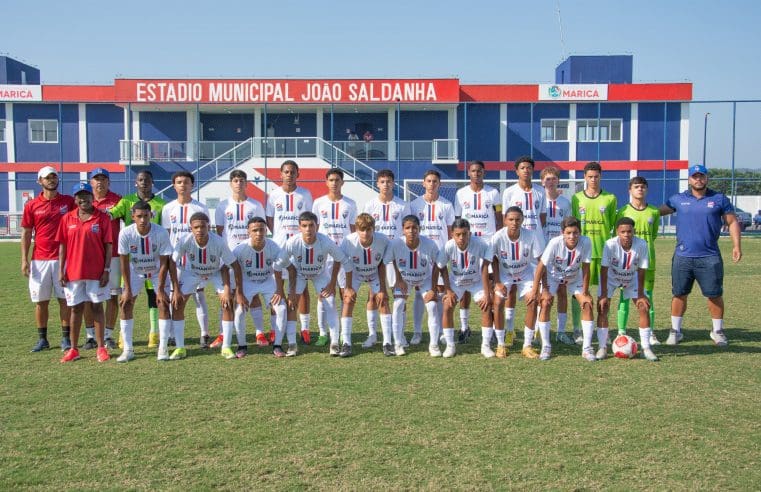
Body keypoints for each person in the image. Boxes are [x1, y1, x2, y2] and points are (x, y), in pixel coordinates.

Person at [660, 164, 742, 347]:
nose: (698, 179)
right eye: (695, 176)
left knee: (714, 294)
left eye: (702, 176)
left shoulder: (719, 199)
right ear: (689, 179)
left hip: (709, 256)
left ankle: (717, 331)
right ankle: (675, 331)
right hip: (683, 256)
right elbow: (654, 212)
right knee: (679, 293)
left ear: (706, 178)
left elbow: (732, 222)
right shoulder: (678, 199)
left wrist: (737, 245)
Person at [277, 212, 354, 357]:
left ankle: (334, 343)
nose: (308, 229)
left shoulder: (325, 241)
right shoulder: (292, 242)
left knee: (330, 301)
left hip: (320, 274)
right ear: (299, 228)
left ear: (317, 226)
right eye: (304, 226)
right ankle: (292, 344)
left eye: (311, 225)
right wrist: (284, 290)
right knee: (291, 303)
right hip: (299, 274)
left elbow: (344, 261)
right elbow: (277, 265)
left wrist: (333, 283)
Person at [171, 212, 245, 360]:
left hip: (215, 272)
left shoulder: (218, 242)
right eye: (196, 227)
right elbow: (172, 262)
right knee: (177, 304)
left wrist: (233, 290)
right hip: (191, 273)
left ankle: (226, 347)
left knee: (227, 304)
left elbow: (235, 265)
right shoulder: (185, 240)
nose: (199, 230)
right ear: (191, 228)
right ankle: (180, 348)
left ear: (208, 227)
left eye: (203, 226)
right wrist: (176, 289)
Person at [109, 169, 166, 348]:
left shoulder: (161, 204)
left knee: (154, 296)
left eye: (147, 180)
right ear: (135, 182)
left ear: (152, 182)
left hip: (153, 258)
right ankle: (123, 335)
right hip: (132, 258)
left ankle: (154, 333)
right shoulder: (126, 201)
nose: (143, 183)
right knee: (127, 297)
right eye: (140, 180)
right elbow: (111, 214)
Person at [57, 183, 113, 363]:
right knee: (76, 308)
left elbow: (108, 246)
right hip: (73, 272)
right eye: (79, 196)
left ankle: (101, 348)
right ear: (75, 199)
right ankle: (73, 349)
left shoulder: (102, 218)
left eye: (87, 195)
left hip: (96, 272)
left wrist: (106, 270)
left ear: (92, 197)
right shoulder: (67, 218)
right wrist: (61, 270)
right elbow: (62, 246)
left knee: (97, 307)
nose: (83, 199)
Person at [21, 166, 75, 352]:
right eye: (47, 178)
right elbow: (27, 233)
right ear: (39, 181)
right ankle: (42, 339)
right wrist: (24, 259)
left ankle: (66, 339)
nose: (51, 180)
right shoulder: (31, 205)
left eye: (54, 177)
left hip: (64, 259)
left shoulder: (68, 202)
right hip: (39, 260)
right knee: (41, 301)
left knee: (64, 300)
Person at [116, 201, 176, 362]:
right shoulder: (126, 233)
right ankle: (128, 349)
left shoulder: (161, 232)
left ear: (151, 215)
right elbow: (123, 261)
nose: (143, 220)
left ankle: (162, 347)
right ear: (133, 217)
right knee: (126, 303)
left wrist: (161, 288)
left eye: (146, 216)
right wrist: (127, 289)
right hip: (135, 271)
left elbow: (165, 261)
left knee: (163, 303)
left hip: (157, 271)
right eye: (139, 216)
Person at [531, 216, 596, 361]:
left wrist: (585, 292)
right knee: (546, 302)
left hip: (574, 278)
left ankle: (586, 348)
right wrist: (539, 289)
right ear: (562, 233)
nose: (572, 236)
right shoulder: (554, 243)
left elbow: (586, 268)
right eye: (568, 233)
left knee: (587, 304)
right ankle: (546, 346)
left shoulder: (586, 242)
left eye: (575, 232)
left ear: (580, 232)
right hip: (553, 277)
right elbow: (541, 266)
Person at [214, 170, 267, 348]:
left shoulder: (255, 205)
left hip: (250, 254)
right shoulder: (223, 206)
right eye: (235, 180)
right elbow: (220, 231)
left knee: (253, 293)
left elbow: (260, 228)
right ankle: (223, 334)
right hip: (229, 255)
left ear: (247, 184)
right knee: (225, 296)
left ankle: (260, 333)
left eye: (242, 180)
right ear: (231, 183)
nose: (238, 183)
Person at [454, 160, 502, 346]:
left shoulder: (493, 193)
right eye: (473, 171)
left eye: (479, 171)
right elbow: (458, 221)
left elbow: (499, 219)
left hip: (487, 243)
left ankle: (489, 324)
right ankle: (464, 326)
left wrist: (496, 241)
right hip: (467, 244)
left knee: (488, 285)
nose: (476, 174)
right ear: (469, 173)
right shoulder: (461, 194)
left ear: (484, 173)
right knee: (465, 283)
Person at [161, 171, 211, 347]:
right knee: (175, 296)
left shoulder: (200, 208)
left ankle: (204, 334)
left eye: (186, 182)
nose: (183, 185)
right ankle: (173, 334)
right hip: (176, 261)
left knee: (199, 295)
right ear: (174, 186)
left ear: (192, 185)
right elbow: (166, 235)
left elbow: (206, 234)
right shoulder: (168, 209)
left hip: (196, 261)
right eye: (179, 182)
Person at [266, 160, 314, 345]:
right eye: (286, 172)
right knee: (276, 288)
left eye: (293, 172)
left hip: (300, 246)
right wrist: (280, 235)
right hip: (279, 247)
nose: (289, 175)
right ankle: (274, 328)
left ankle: (305, 328)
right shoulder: (273, 195)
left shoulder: (305, 194)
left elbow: (309, 219)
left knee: (302, 289)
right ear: (280, 174)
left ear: (298, 174)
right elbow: (270, 219)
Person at [597, 217, 657, 361]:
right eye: (623, 231)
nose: (626, 234)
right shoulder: (610, 244)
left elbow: (642, 270)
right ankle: (602, 347)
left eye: (629, 231)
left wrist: (641, 294)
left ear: (633, 231)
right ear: (617, 232)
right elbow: (604, 269)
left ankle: (646, 348)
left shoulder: (642, 244)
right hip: (611, 279)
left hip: (632, 279)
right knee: (603, 307)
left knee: (643, 306)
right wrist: (604, 294)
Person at [489, 207, 546, 359]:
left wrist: (537, 287)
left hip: (525, 275)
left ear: (522, 220)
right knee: (499, 302)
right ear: (505, 220)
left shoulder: (531, 235)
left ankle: (527, 346)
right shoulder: (498, 237)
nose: (514, 222)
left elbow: (541, 261)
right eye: (511, 219)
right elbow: (492, 258)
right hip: (504, 276)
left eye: (518, 219)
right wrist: (497, 281)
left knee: (533, 301)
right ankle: (501, 344)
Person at [362, 169, 411, 344]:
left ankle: (400, 334)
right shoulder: (369, 205)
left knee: (400, 295)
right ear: (377, 184)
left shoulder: (403, 205)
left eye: (389, 181)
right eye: (382, 181)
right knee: (373, 295)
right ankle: (372, 334)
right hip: (376, 255)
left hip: (397, 256)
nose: (385, 185)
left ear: (393, 183)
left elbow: (407, 230)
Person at [571, 161, 616, 348]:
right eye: (590, 176)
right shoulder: (576, 198)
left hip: (603, 252)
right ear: (584, 177)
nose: (593, 179)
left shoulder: (610, 198)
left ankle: (602, 328)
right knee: (580, 292)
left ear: (601, 177)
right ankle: (577, 329)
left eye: (596, 176)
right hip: (582, 254)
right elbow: (573, 226)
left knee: (604, 293)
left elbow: (612, 224)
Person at [312, 168, 357, 346]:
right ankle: (323, 333)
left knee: (343, 292)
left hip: (343, 254)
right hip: (324, 255)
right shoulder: (318, 203)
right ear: (326, 182)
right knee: (323, 294)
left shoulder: (350, 204)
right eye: (331, 180)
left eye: (337, 180)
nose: (334, 183)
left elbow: (353, 229)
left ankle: (342, 331)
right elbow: (314, 227)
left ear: (342, 182)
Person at [410, 169, 455, 345]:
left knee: (440, 293)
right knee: (419, 295)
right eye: (428, 181)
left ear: (439, 184)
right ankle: (417, 332)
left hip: (440, 256)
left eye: (435, 181)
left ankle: (442, 331)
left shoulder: (447, 205)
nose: (431, 184)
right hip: (421, 255)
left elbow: (451, 233)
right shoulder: (414, 205)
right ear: (423, 183)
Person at [232, 217, 287, 358]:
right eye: (254, 230)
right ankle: (242, 346)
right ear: (248, 232)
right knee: (239, 311)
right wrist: (238, 292)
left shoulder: (273, 246)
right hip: (247, 282)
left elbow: (282, 266)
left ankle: (278, 345)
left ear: (266, 230)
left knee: (281, 308)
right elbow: (231, 270)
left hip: (267, 281)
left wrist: (280, 290)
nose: (258, 233)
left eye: (261, 229)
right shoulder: (240, 249)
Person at [437, 218, 492, 358]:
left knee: (486, 305)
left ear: (470, 233)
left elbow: (486, 266)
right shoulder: (448, 246)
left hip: (476, 282)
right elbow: (441, 267)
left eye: (465, 234)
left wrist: (487, 293)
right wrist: (448, 290)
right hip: (456, 283)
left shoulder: (479, 244)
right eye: (458, 234)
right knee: (447, 305)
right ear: (452, 234)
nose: (461, 238)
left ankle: (485, 346)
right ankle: (450, 346)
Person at [340, 213, 395, 355]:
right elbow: (344, 263)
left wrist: (383, 288)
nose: (365, 233)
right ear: (356, 230)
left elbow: (383, 263)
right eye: (362, 229)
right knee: (348, 300)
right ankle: (346, 342)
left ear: (373, 229)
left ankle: (387, 343)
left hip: (375, 271)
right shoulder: (348, 241)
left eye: (369, 229)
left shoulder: (383, 240)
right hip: (355, 272)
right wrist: (348, 287)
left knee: (383, 299)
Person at [615, 177, 660, 345]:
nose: (639, 189)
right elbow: (618, 235)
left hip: (648, 261)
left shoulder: (654, 212)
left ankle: (651, 333)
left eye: (642, 187)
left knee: (647, 297)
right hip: (627, 263)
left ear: (646, 189)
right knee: (624, 297)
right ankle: (621, 332)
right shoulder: (623, 211)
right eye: (636, 187)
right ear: (630, 190)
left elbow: (653, 235)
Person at [388, 215, 442, 356]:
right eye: (407, 228)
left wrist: (434, 287)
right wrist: (398, 278)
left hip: (425, 279)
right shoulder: (395, 244)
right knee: (398, 304)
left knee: (432, 306)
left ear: (419, 229)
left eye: (414, 228)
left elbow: (438, 264)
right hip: (405, 279)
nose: (411, 231)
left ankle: (434, 345)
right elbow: (391, 258)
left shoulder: (429, 244)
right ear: (402, 230)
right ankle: (398, 343)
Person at [82, 168, 121, 351]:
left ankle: (108, 335)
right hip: (90, 257)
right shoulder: (84, 201)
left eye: (104, 179)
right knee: (89, 297)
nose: (100, 182)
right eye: (96, 179)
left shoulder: (117, 200)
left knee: (112, 296)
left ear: (109, 182)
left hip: (113, 256)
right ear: (91, 182)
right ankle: (90, 335)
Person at [540, 166, 573, 345]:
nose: (550, 181)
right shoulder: (538, 200)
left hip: (561, 253)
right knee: (543, 293)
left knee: (561, 291)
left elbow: (569, 228)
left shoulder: (565, 203)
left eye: (553, 178)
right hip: (543, 252)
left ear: (558, 181)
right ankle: (540, 330)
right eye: (547, 178)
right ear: (542, 182)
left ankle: (561, 331)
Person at [502, 155, 546, 233]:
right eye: (522, 168)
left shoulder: (541, 190)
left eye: (529, 168)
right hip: (519, 235)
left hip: (537, 236)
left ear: (532, 170)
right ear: (517, 172)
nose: (526, 170)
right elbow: (505, 217)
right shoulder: (509, 192)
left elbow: (542, 216)